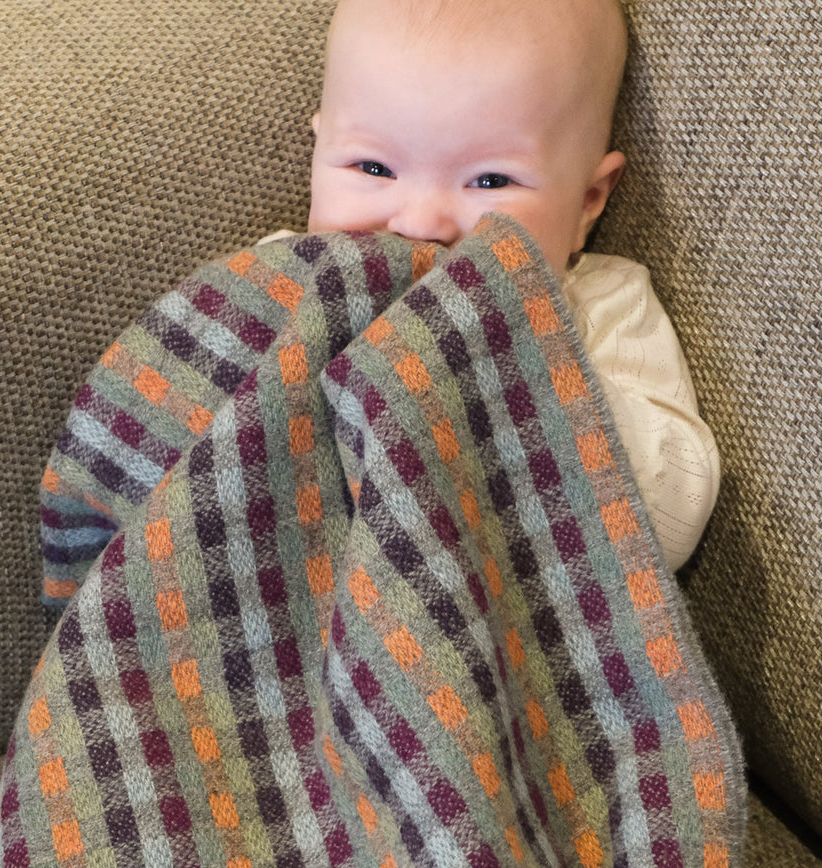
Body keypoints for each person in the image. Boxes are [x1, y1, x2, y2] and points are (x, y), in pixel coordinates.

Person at [297, 0, 719, 569]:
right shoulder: (288, 279)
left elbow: (677, 515)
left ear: (587, 202)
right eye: (373, 169)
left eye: (490, 181)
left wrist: (521, 364)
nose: (420, 224)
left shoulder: (603, 304)